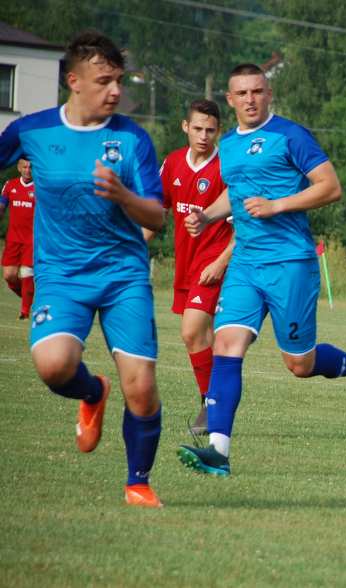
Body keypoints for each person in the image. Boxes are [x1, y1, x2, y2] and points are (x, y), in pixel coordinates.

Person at [177, 63, 346, 477]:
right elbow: (235, 193)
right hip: (246, 264)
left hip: (290, 264)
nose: (251, 99)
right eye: (242, 93)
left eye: (258, 91)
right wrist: (207, 216)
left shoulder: (291, 136)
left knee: (299, 364)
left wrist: (278, 205)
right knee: (226, 345)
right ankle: (218, 452)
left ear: (268, 94)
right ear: (230, 100)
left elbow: (330, 186)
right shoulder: (231, 145)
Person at [0, 30, 165, 508]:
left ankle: (138, 483)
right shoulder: (32, 131)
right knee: (54, 368)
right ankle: (92, 391)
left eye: (118, 80)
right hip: (62, 277)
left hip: (122, 275)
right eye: (104, 81)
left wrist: (124, 196)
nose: (115, 91)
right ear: (73, 81)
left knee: (143, 388)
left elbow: (157, 217)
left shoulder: (132, 139)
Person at [145, 99, 233, 435]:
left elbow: (242, 228)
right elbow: (158, 213)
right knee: (201, 338)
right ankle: (214, 404)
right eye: (197, 128)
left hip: (212, 264)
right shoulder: (172, 164)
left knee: (191, 332)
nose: (203, 135)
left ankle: (211, 409)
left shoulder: (226, 168)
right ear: (186, 127)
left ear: (218, 132)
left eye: (210, 130)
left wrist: (221, 261)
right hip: (185, 264)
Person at [1, 158, 36, 318]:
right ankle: (30, 299)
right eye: (25, 167)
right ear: (19, 167)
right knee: (9, 276)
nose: (28, 170)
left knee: (27, 272)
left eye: (31, 167)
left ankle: (25, 311)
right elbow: (2, 206)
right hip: (13, 239)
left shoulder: (40, 187)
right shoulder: (10, 185)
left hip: (33, 239)